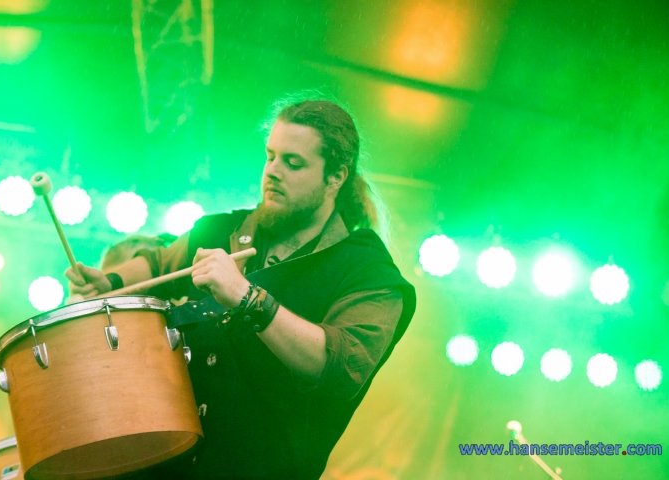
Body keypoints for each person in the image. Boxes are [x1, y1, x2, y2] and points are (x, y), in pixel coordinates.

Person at [65, 98, 416, 479]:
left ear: (336, 177)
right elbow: (159, 263)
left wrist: (249, 298)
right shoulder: (219, 229)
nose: (273, 172)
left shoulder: (367, 271)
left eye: (293, 163)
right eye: (270, 157)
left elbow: (340, 366)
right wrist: (112, 280)